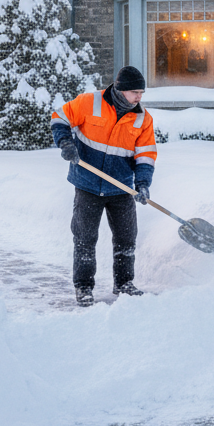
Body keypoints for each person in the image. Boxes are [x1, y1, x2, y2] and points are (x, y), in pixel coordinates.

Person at [50, 66, 157, 306]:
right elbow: (60, 117)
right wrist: (66, 142)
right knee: (85, 238)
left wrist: (142, 183)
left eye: (141, 92)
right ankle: (84, 288)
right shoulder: (90, 102)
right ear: (120, 90)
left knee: (126, 237)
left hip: (121, 188)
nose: (139, 97)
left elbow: (146, 154)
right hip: (87, 184)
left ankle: (124, 283)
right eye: (134, 92)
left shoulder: (143, 118)